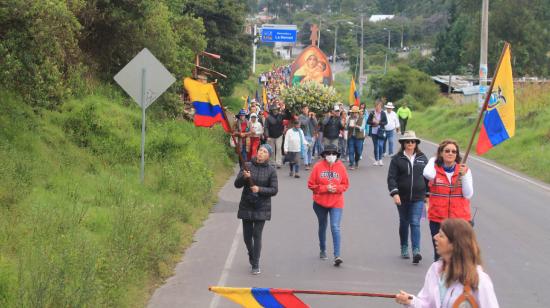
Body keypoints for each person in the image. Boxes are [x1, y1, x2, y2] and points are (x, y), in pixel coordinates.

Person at [395, 218, 499, 307]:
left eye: (441, 235)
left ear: (454, 244)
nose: (435, 237)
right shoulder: (435, 270)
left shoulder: (480, 280)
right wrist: (411, 301)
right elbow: (427, 304)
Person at [423, 139, 474, 261]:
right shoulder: (433, 169)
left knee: (460, 255)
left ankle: (458, 279)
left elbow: (468, 194)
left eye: (454, 151)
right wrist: (432, 160)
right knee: (440, 256)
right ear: (440, 153)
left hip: (460, 220)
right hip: (438, 220)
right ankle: (440, 279)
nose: (450, 153)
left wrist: (465, 175)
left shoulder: (464, 171)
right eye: (447, 151)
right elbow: (427, 175)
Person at [234, 144, 278, 275]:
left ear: (268, 156)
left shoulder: (271, 170)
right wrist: (244, 177)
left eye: (264, 152)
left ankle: (256, 263)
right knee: (247, 237)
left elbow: (274, 190)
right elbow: (237, 184)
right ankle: (251, 254)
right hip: (247, 204)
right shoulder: (247, 165)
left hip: (262, 206)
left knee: (257, 235)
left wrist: (259, 189)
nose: (261, 153)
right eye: (260, 150)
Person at [387, 131, 428, 264]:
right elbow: (391, 178)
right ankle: (404, 246)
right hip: (402, 197)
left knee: (415, 222)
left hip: (418, 197)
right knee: (404, 222)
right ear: (403, 143)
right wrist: (395, 193)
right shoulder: (397, 159)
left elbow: (428, 178)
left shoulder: (422, 158)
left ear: (416, 143)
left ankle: (416, 250)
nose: (410, 144)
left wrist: (427, 195)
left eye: (412, 141)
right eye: (407, 141)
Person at [307, 144, 350, 266]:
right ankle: (322, 249)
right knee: (322, 225)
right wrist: (325, 188)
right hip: (320, 202)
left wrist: (336, 188)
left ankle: (337, 255)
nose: (331, 156)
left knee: (335, 226)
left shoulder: (341, 167)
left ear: (337, 155)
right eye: (328, 153)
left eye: (334, 154)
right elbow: (311, 185)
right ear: (324, 155)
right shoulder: (318, 167)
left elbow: (345, 185)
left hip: (336, 201)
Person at [367, 100, 388, 166]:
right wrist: (373, 122)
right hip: (374, 132)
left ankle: (380, 160)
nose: (378, 107)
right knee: (376, 146)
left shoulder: (383, 113)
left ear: (381, 106)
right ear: (375, 106)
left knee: (381, 145)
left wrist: (379, 123)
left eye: (379, 106)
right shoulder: (372, 113)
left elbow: (386, 122)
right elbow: (368, 122)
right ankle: (376, 160)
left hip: (381, 131)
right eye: (376, 106)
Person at [264, 104, 285, 168]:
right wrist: (267, 136)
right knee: (272, 150)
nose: (275, 111)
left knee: (279, 148)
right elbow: (266, 127)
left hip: (279, 135)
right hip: (271, 136)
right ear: (272, 111)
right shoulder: (268, 118)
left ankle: (278, 163)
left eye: (276, 110)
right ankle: (272, 162)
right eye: (274, 110)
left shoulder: (281, 116)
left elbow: (286, 121)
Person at [298, 106, 318, 170]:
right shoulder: (301, 116)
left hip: (311, 135)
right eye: (305, 109)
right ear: (302, 110)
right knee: (305, 150)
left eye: (307, 109)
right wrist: (309, 117)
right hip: (305, 135)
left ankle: (309, 162)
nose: (306, 110)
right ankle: (306, 164)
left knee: (310, 150)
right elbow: (304, 123)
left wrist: (313, 117)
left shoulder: (311, 117)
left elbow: (316, 124)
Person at [347, 105, 366, 170]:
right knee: (351, 151)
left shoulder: (362, 118)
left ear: (358, 113)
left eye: (355, 112)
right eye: (353, 112)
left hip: (359, 137)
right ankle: (352, 163)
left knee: (358, 151)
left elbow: (362, 128)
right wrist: (348, 125)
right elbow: (346, 127)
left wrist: (357, 126)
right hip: (351, 137)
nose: (354, 114)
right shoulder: (349, 118)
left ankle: (356, 161)